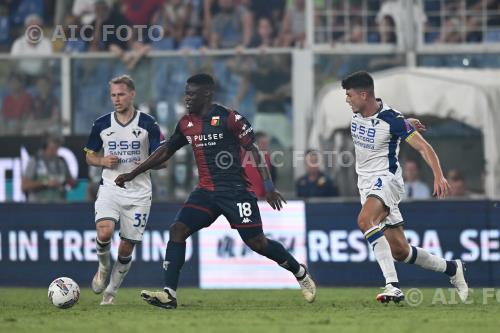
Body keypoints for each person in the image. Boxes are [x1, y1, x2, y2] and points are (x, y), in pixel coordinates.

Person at [115, 73, 316, 309]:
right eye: (186, 93)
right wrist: (133, 173)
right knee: (178, 230)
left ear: (207, 94)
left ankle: (300, 272)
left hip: (236, 192)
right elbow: (166, 150)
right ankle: (169, 294)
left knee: (258, 243)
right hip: (205, 192)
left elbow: (253, 150)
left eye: (192, 94)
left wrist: (269, 187)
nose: (187, 98)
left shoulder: (229, 118)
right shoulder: (186, 123)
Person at [341, 71, 468, 304]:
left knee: (364, 221)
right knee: (401, 251)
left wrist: (439, 176)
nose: (347, 100)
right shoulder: (367, 115)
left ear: (363, 94)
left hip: (386, 180)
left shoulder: (392, 119)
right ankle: (452, 268)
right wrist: (406, 122)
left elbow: (424, 148)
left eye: (349, 95)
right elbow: (386, 125)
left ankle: (392, 285)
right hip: (365, 184)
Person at [83, 75, 164, 305]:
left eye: (120, 94)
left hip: (139, 194)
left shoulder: (148, 123)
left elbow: (163, 158)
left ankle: (110, 293)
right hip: (110, 187)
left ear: (132, 94)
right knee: (104, 232)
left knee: (125, 248)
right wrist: (102, 162)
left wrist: (148, 163)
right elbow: (89, 156)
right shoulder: (101, 123)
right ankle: (103, 266)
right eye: (113, 95)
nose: (116, 99)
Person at [22, 134, 77, 203]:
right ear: (46, 145)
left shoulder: (61, 162)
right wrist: (45, 183)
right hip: (38, 205)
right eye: (54, 144)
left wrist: (67, 181)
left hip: (59, 205)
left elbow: (72, 182)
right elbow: (24, 185)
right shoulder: (35, 161)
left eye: (58, 145)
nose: (56, 147)